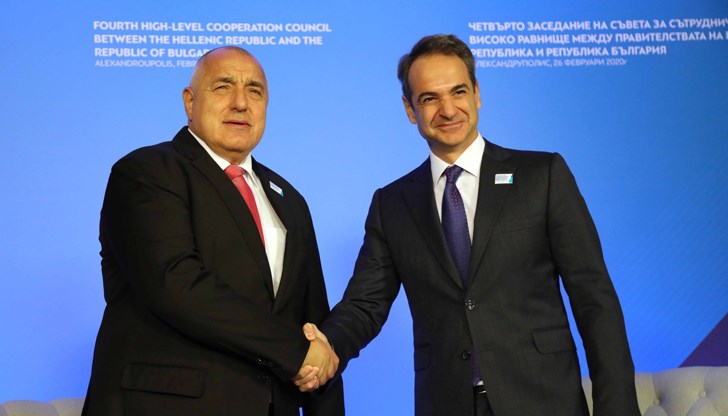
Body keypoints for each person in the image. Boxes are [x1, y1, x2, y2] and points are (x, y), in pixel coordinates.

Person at [301, 34, 640, 416]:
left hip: (544, 400)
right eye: (429, 98)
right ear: (410, 109)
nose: (448, 110)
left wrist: (618, 409)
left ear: (477, 93)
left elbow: (594, 298)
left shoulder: (542, 176)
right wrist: (328, 345)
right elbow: (366, 305)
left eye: (458, 91)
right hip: (446, 403)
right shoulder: (392, 203)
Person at [82, 46, 343, 416]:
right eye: (223, 87)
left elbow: (312, 321)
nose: (241, 103)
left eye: (255, 91)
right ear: (190, 102)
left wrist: (318, 375)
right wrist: (296, 352)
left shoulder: (289, 200)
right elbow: (176, 283)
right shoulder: (147, 172)